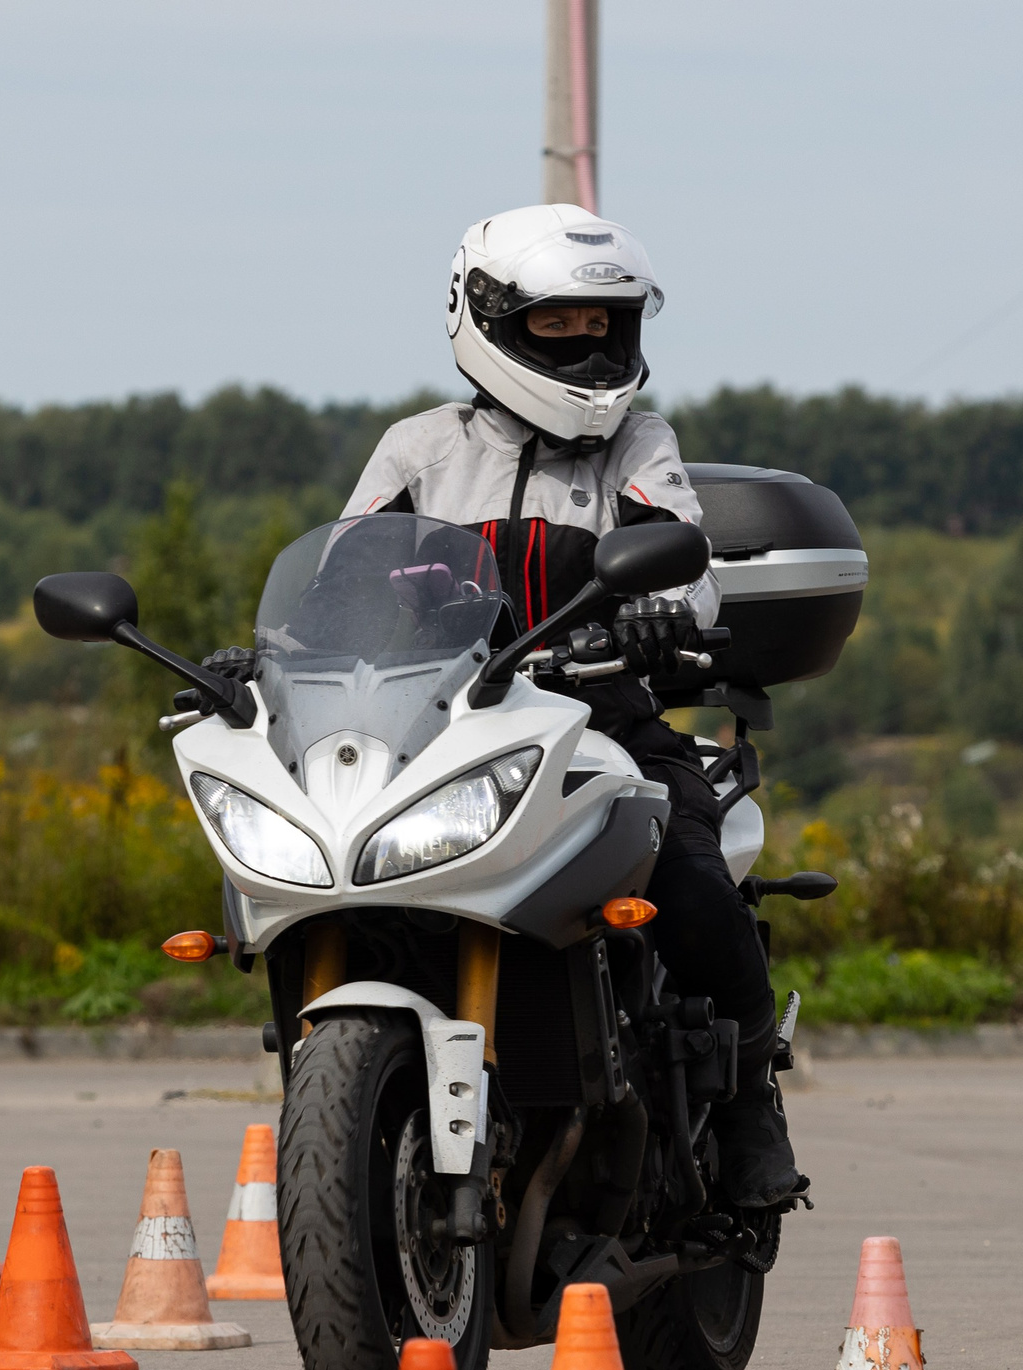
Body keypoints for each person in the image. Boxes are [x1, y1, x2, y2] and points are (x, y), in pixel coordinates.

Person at [337, 202, 805, 1211]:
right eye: (557, 324)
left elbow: (684, 556)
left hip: (602, 720)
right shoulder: (417, 450)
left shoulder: (634, 442)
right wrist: (289, 645)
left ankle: (748, 1099)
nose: (585, 342)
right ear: (491, 320)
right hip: (445, 732)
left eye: (602, 322)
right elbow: (345, 572)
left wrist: (660, 616)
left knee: (686, 866)